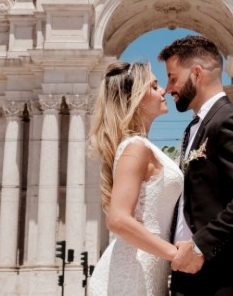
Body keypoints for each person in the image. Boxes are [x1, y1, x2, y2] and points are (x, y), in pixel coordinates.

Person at [160, 35, 233, 295]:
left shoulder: (228, 120)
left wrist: (200, 246)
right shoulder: (194, 127)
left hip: (223, 279)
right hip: (191, 275)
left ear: (197, 73)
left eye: (173, 77)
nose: (168, 88)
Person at [88, 62, 185, 296]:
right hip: (130, 274)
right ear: (136, 99)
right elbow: (118, 219)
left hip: (146, 270)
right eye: (153, 86)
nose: (163, 90)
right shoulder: (135, 147)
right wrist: (175, 254)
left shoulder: (143, 146)